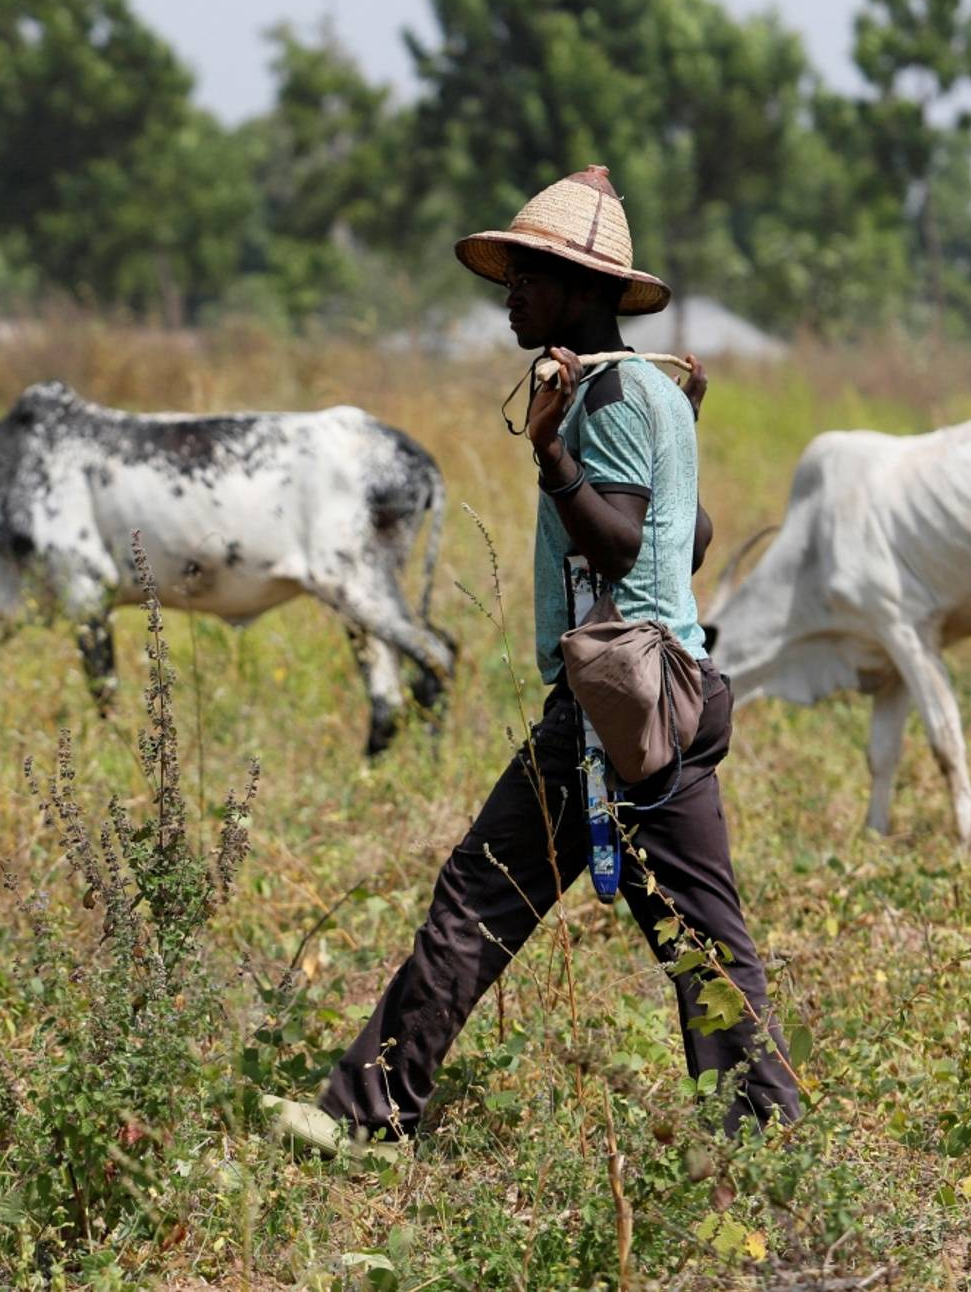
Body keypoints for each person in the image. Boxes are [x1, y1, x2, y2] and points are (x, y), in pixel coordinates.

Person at [266, 165, 803, 1159]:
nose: (508, 296)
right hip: (665, 695)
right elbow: (687, 541)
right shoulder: (656, 390)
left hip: (623, 705)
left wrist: (557, 462)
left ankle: (366, 1118)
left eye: (525, 278)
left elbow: (624, 548)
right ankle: (765, 1139)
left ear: (575, 285)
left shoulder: (605, 401)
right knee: (695, 939)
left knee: (482, 897)